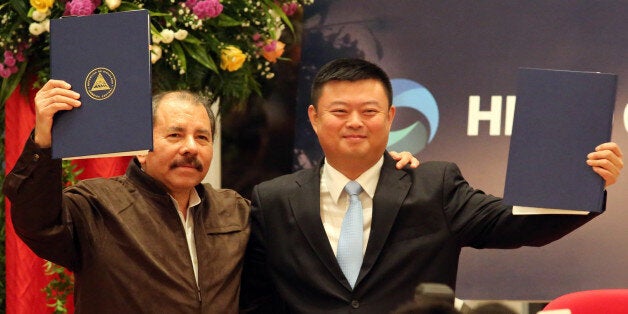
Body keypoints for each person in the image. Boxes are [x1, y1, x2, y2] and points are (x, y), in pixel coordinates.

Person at [239, 58, 624, 313]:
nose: (354, 122)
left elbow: (517, 225)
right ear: (314, 117)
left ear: (390, 117)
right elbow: (257, 299)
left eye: (369, 111)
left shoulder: (433, 185)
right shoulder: (273, 199)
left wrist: (584, 184)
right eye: (340, 111)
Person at [3, 79, 419, 313]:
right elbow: (36, 221)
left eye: (203, 137)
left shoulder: (234, 210)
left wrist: (380, 171)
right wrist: (43, 140)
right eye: (174, 135)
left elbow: (313, 232)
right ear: (140, 147)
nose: (191, 147)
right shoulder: (96, 204)